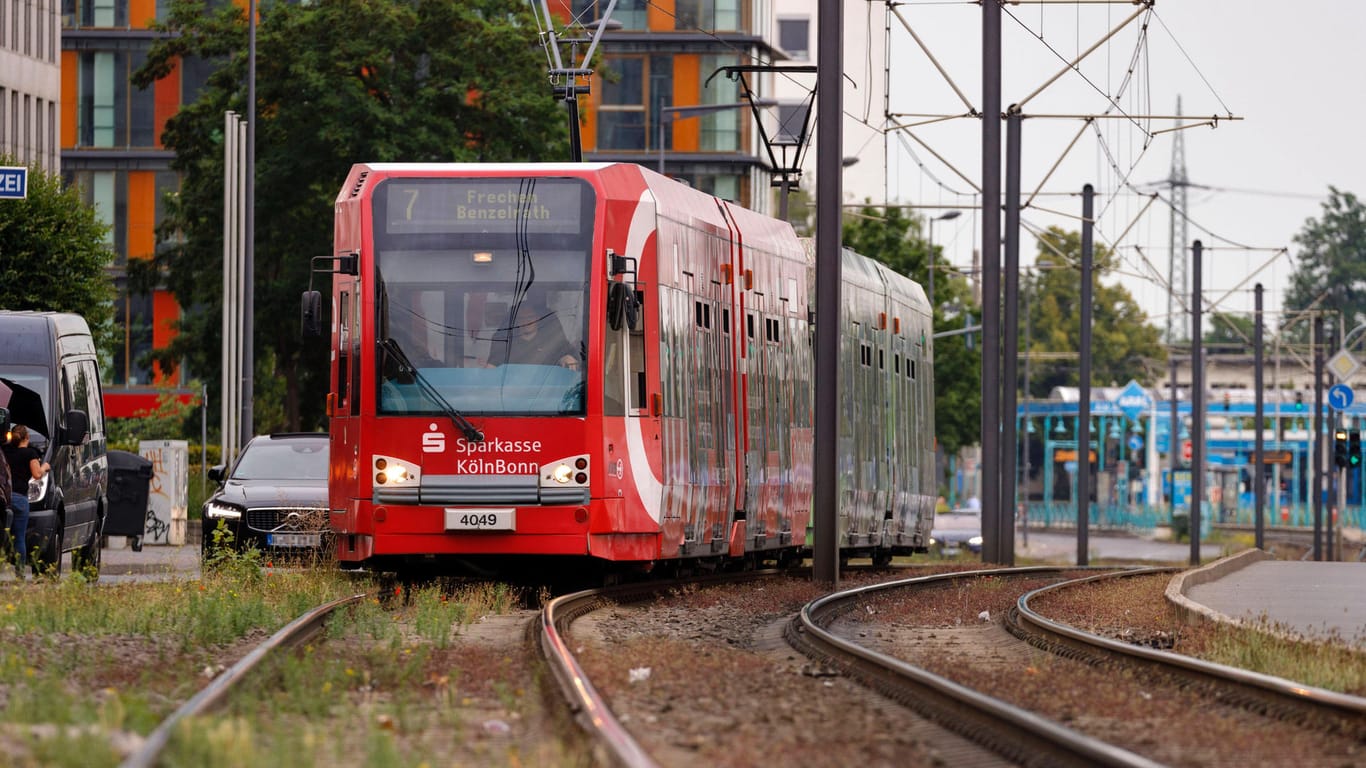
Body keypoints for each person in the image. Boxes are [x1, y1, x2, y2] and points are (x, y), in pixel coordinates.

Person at [3, 424, 47, 578]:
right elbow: (36, 474)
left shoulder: (6, 451)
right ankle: (20, 572)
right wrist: (45, 467)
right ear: (27, 437)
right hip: (20, 499)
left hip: (5, 497)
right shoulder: (30, 453)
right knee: (19, 536)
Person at [498, 302, 580, 370]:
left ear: (537, 318)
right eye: (522, 318)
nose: (526, 321)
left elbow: (570, 358)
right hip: (513, 388)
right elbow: (494, 365)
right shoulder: (507, 345)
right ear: (517, 321)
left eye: (530, 316)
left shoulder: (552, 342)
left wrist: (566, 357)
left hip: (549, 388)